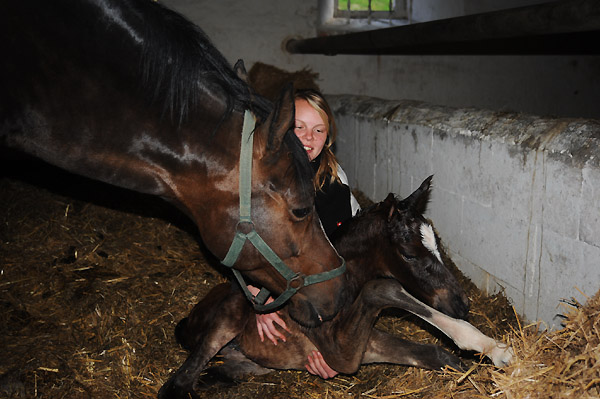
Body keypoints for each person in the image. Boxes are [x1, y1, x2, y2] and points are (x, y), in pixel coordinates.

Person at [248, 89, 360, 379]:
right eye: (299, 127)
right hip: (269, 278)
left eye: (318, 130)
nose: (309, 138)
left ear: (329, 137)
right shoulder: (254, 176)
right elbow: (240, 241)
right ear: (281, 128)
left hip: (315, 280)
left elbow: (340, 254)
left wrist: (337, 345)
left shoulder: (334, 181)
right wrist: (257, 299)